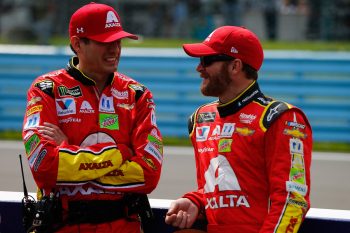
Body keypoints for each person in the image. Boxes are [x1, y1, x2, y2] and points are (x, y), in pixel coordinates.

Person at [22, 2, 163, 233]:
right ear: (78, 44)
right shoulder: (46, 89)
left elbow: (149, 175)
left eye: (118, 41)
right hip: (63, 226)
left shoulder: (137, 95)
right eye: (105, 42)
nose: (115, 49)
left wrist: (68, 151)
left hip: (123, 227)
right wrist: (120, 153)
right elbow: (45, 168)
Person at [165, 26, 312, 233]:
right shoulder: (200, 119)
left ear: (235, 66)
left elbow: (292, 200)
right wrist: (196, 201)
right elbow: (221, 187)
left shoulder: (281, 118)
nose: (199, 68)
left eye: (207, 60)